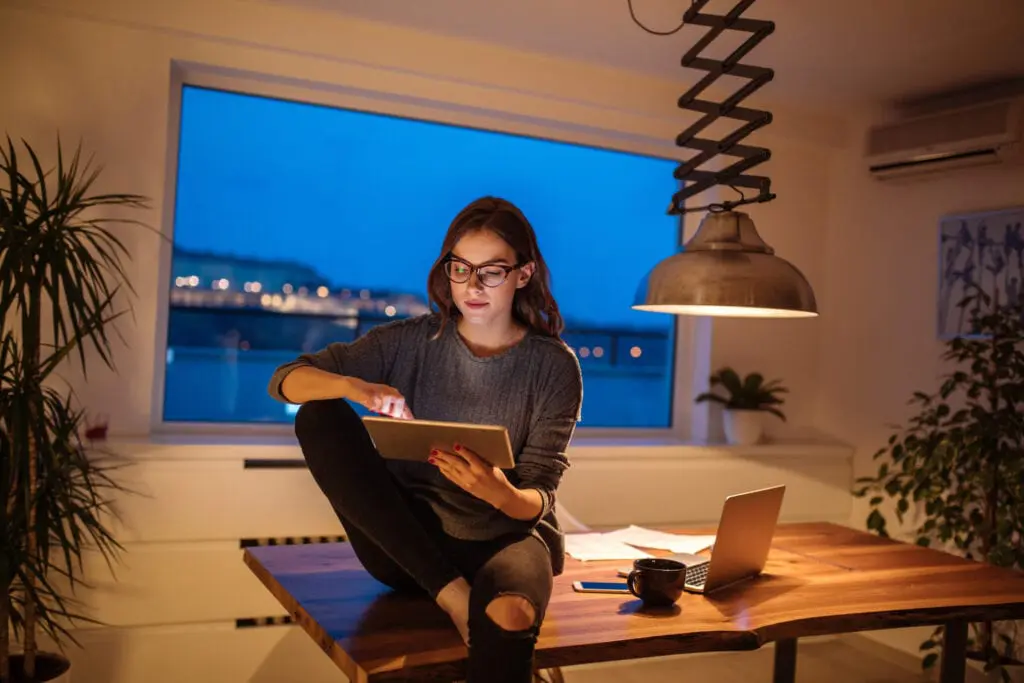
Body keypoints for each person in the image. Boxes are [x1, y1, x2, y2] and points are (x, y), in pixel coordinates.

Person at [266, 196, 583, 683]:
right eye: (461, 269)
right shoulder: (408, 341)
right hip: (408, 546)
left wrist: (498, 492)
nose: (472, 286)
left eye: (491, 271)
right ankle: (452, 595)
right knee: (318, 414)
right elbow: (285, 380)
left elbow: (539, 494)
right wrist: (354, 387)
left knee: (512, 615)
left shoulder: (554, 366)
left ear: (524, 274)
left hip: (508, 541)